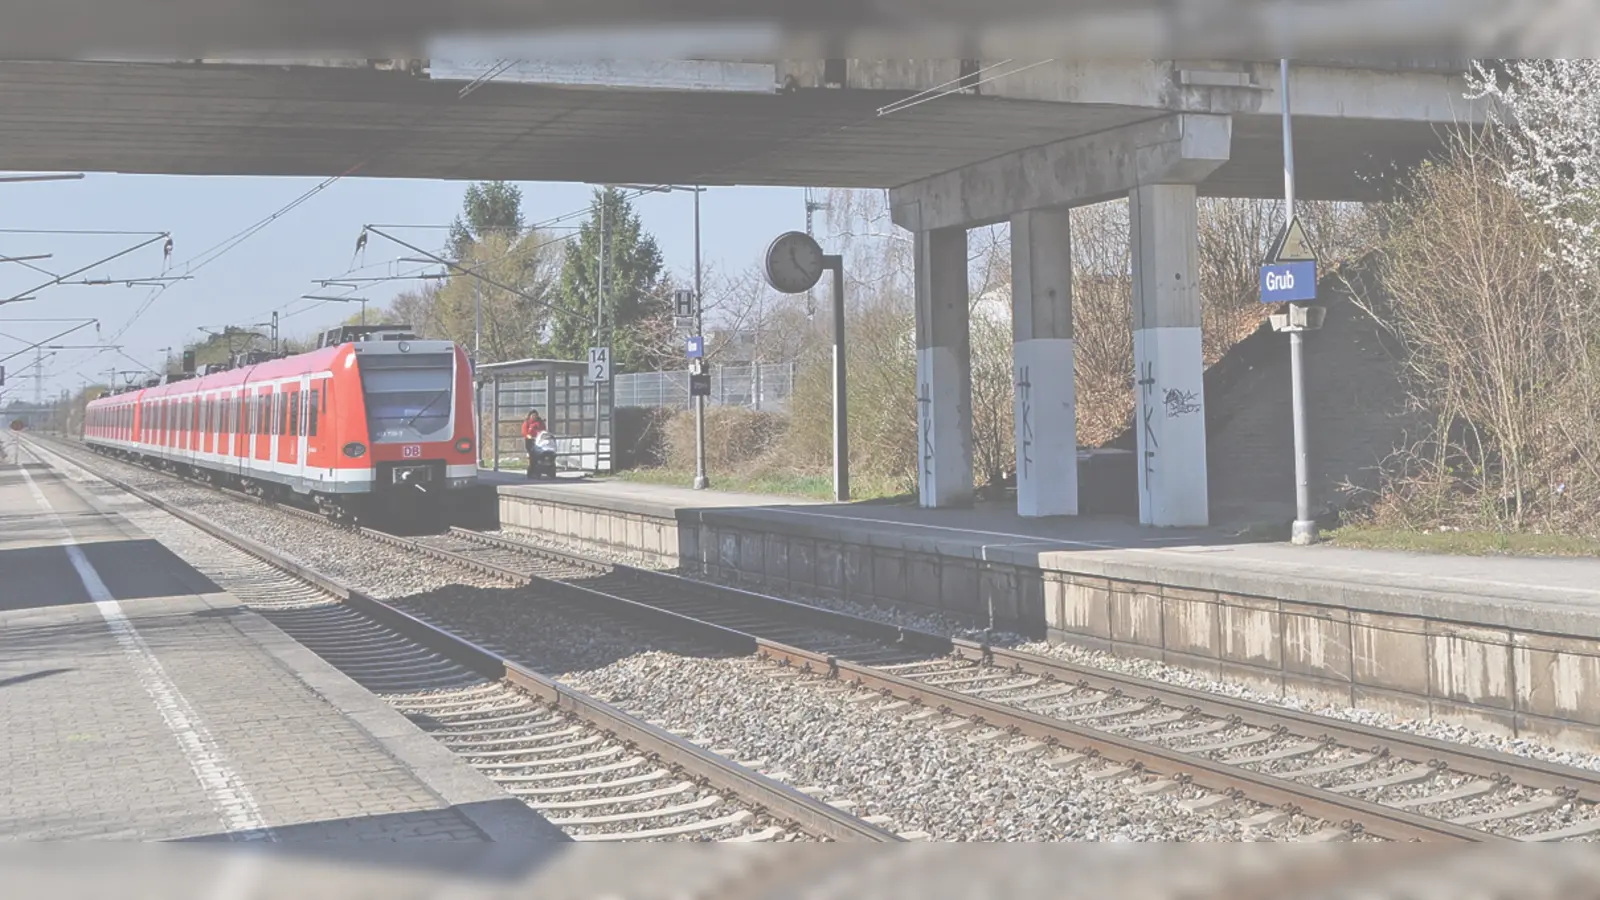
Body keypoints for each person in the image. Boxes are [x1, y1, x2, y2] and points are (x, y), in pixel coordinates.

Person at [521, 409, 554, 479]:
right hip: (530, 441)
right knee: (532, 455)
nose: (534, 417)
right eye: (533, 415)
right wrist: (529, 436)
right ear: (530, 416)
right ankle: (533, 469)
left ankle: (547, 466)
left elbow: (543, 430)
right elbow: (524, 432)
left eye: (535, 415)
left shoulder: (540, 422)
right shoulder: (527, 423)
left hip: (539, 440)